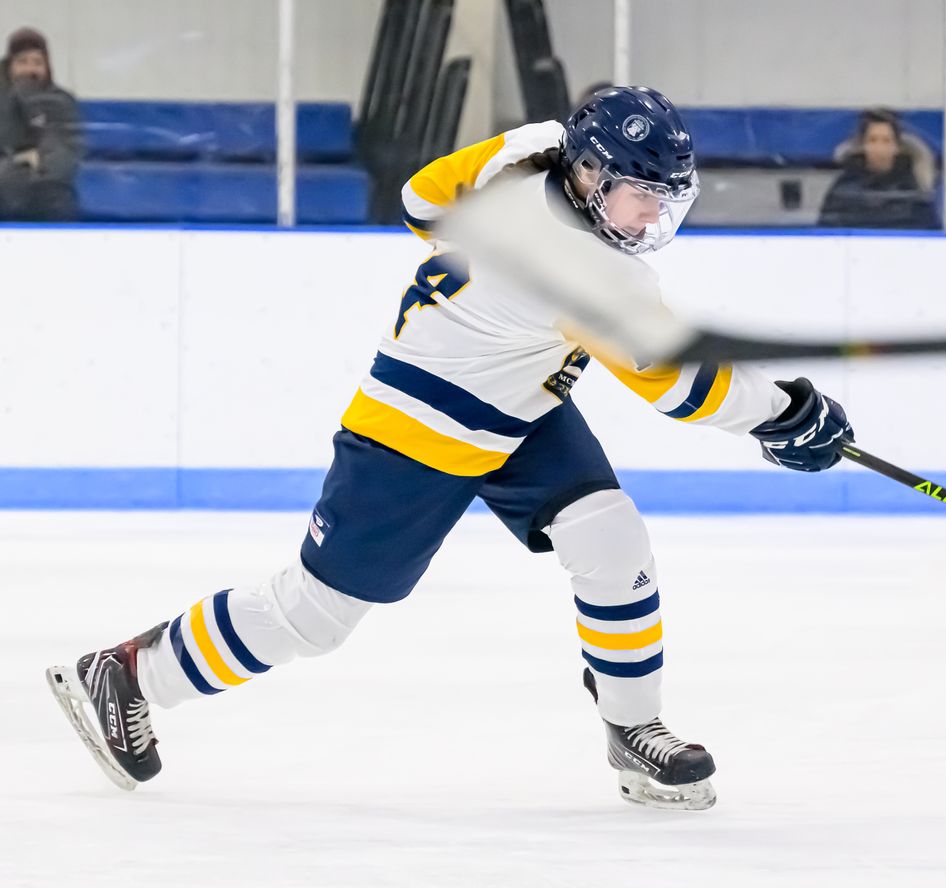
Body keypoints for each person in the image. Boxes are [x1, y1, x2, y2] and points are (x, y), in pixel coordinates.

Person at [45, 87, 855, 811]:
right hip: (415, 432)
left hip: (520, 407)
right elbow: (683, 388)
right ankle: (127, 672)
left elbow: (420, 201)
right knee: (315, 614)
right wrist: (787, 413)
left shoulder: (525, 159)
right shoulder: (584, 265)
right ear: (592, 178)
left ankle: (633, 728)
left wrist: (515, 148)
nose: (652, 221)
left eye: (665, 201)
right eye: (642, 197)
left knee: (609, 534)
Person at [0, 27, 82, 221]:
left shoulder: (62, 102)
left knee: (55, 197)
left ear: (47, 66)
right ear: (10, 66)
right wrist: (18, 161)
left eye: (37, 62)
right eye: (22, 62)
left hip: (47, 200)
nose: (30, 69)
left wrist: (31, 104)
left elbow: (63, 157)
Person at [818, 107, 938, 230]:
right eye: (872, 140)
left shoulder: (913, 191)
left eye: (886, 141)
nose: (879, 148)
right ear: (862, 146)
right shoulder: (843, 189)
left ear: (896, 147)